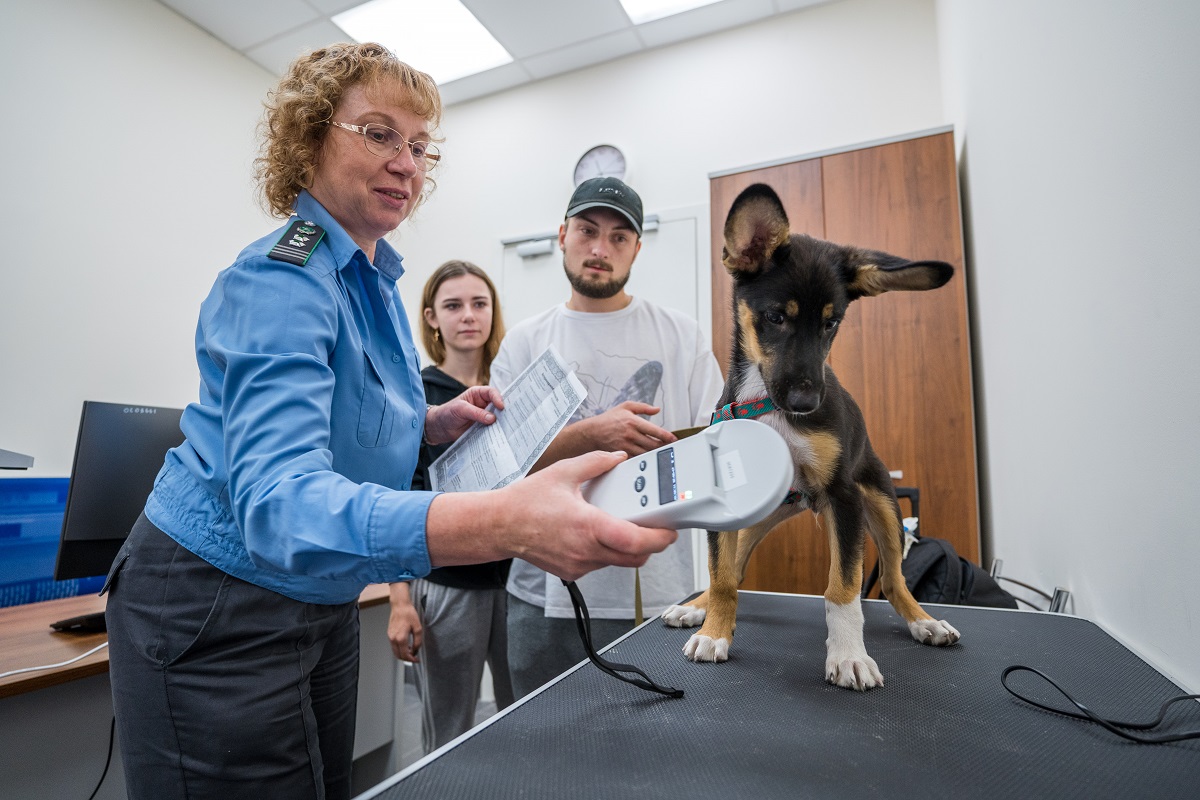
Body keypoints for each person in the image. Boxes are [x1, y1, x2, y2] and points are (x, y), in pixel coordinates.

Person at [102, 43, 676, 800]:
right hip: (221, 601)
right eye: (378, 134)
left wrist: (436, 423)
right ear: (309, 139)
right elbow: (281, 506)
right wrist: (501, 522)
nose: (406, 162)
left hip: (324, 596)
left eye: (418, 145)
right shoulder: (279, 277)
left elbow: (354, 416)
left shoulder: (370, 278)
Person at [492, 176, 725, 699]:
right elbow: (500, 466)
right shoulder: (526, 341)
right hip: (542, 589)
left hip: (661, 587)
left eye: (620, 237)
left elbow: (717, 445)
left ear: (637, 249)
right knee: (541, 747)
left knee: (652, 751)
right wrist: (590, 435)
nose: (600, 249)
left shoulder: (681, 335)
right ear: (562, 235)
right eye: (587, 231)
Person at [387, 259, 514, 753]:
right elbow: (397, 496)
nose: (469, 315)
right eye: (453, 305)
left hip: (516, 584)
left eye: (479, 304)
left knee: (521, 720)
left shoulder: (511, 391)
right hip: (446, 586)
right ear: (432, 318)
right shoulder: (415, 395)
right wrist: (399, 601)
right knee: (449, 736)